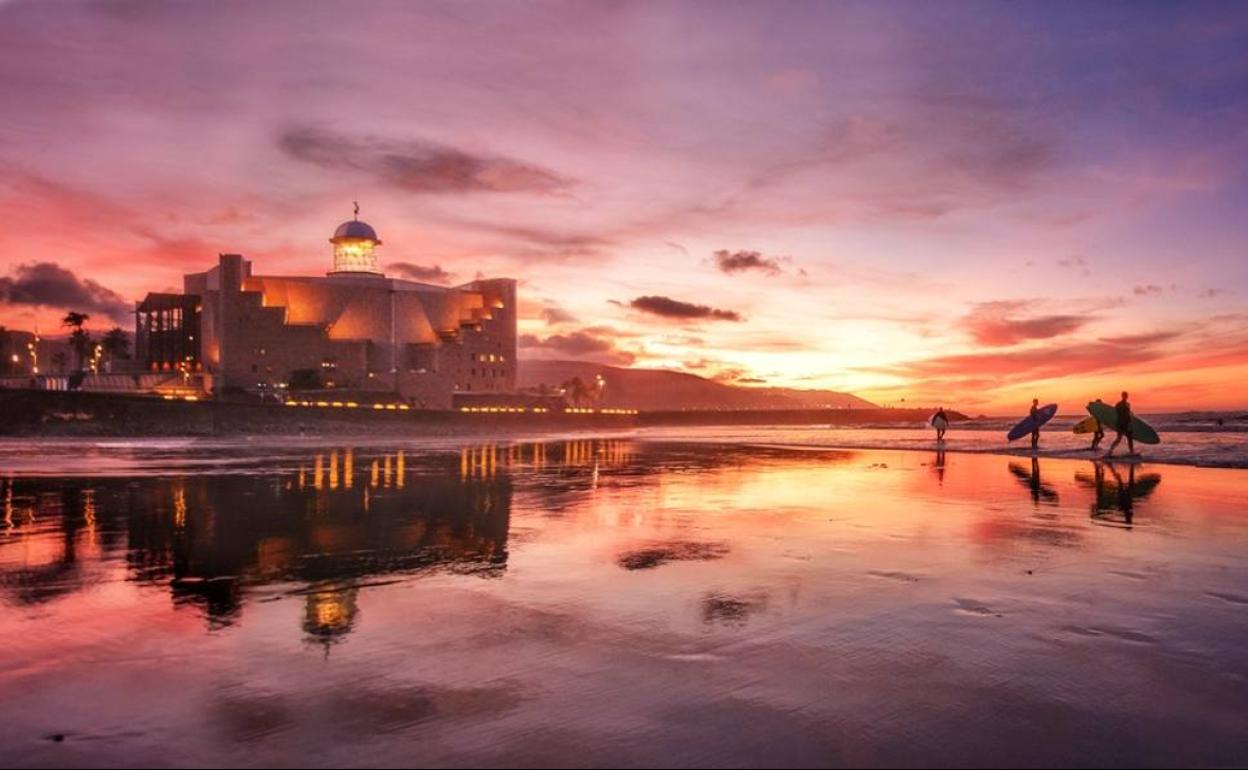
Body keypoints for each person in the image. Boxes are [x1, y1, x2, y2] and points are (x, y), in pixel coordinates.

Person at [1106, 390, 1135, 457]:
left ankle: (1132, 452)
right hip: (1121, 423)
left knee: (1130, 438)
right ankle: (1110, 452)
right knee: (1119, 439)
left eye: (1126, 396)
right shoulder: (1119, 404)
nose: (1126, 397)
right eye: (1124, 395)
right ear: (1122, 396)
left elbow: (1128, 413)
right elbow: (1116, 413)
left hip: (1127, 423)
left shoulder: (1128, 404)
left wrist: (1130, 417)